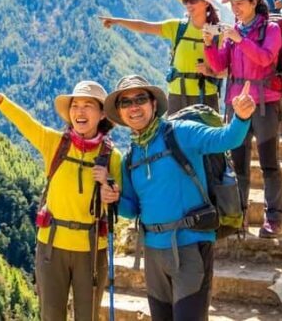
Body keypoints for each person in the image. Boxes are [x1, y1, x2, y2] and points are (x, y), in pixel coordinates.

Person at [99, 75, 255, 321]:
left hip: (191, 246)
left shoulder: (180, 132)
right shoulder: (132, 156)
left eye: (140, 99)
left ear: (153, 104)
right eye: (126, 102)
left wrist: (242, 116)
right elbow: (131, 209)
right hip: (153, 253)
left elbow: (226, 138)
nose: (134, 107)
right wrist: (114, 197)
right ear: (120, 112)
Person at [0, 76, 122, 321]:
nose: (79, 112)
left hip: (93, 249)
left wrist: (110, 189)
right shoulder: (55, 144)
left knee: (88, 316)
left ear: (102, 114)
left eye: (87, 106)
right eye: (75, 105)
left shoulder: (112, 157)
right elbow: (27, 123)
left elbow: (121, 203)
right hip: (52, 247)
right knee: (51, 315)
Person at [203, 0, 282, 238]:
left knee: (269, 162)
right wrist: (209, 45)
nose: (234, 8)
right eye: (232, 4)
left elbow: (265, 58)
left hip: (265, 103)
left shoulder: (271, 29)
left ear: (253, 2)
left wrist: (240, 40)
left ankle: (274, 219)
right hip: (237, 105)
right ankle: (239, 216)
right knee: (238, 164)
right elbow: (219, 66)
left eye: (239, 3)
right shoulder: (234, 31)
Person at [99, 0, 222, 113]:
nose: (188, 4)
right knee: (174, 133)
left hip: (206, 95)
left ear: (206, 4)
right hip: (177, 94)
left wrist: (211, 72)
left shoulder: (218, 33)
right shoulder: (177, 27)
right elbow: (144, 27)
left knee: (208, 133)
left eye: (193, 0)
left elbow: (227, 68)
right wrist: (118, 21)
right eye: (186, 0)